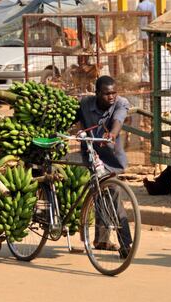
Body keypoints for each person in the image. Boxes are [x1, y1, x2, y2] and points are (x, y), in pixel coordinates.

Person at [76, 76, 132, 258]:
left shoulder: (120, 103)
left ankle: (121, 242)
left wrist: (112, 135)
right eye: (107, 94)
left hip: (112, 159)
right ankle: (105, 240)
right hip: (92, 156)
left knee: (112, 192)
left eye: (114, 92)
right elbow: (71, 119)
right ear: (97, 93)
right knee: (102, 191)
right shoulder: (85, 104)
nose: (111, 97)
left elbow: (118, 120)